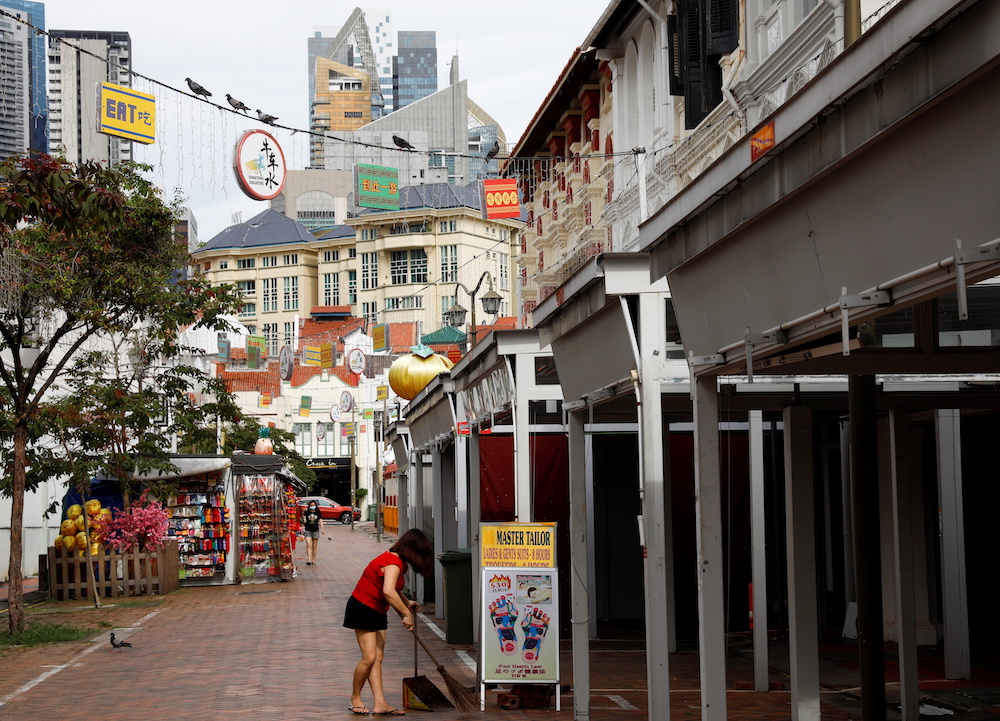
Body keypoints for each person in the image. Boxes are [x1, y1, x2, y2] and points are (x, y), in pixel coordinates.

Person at [344, 528, 433, 716]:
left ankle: (380, 703)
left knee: (378, 658)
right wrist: (405, 614)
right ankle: (355, 698)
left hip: (377, 609)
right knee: (369, 657)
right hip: (363, 606)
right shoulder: (392, 562)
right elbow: (388, 592)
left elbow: (394, 588)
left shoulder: (401, 562)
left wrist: (406, 603)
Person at [301, 501, 325, 565]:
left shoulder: (318, 513)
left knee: (314, 546)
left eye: (313, 505)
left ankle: (313, 559)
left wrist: (322, 529)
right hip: (308, 530)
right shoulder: (306, 512)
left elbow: (320, 520)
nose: (312, 506)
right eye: (311, 505)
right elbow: (303, 520)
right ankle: (309, 560)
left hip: (315, 530)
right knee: (309, 545)